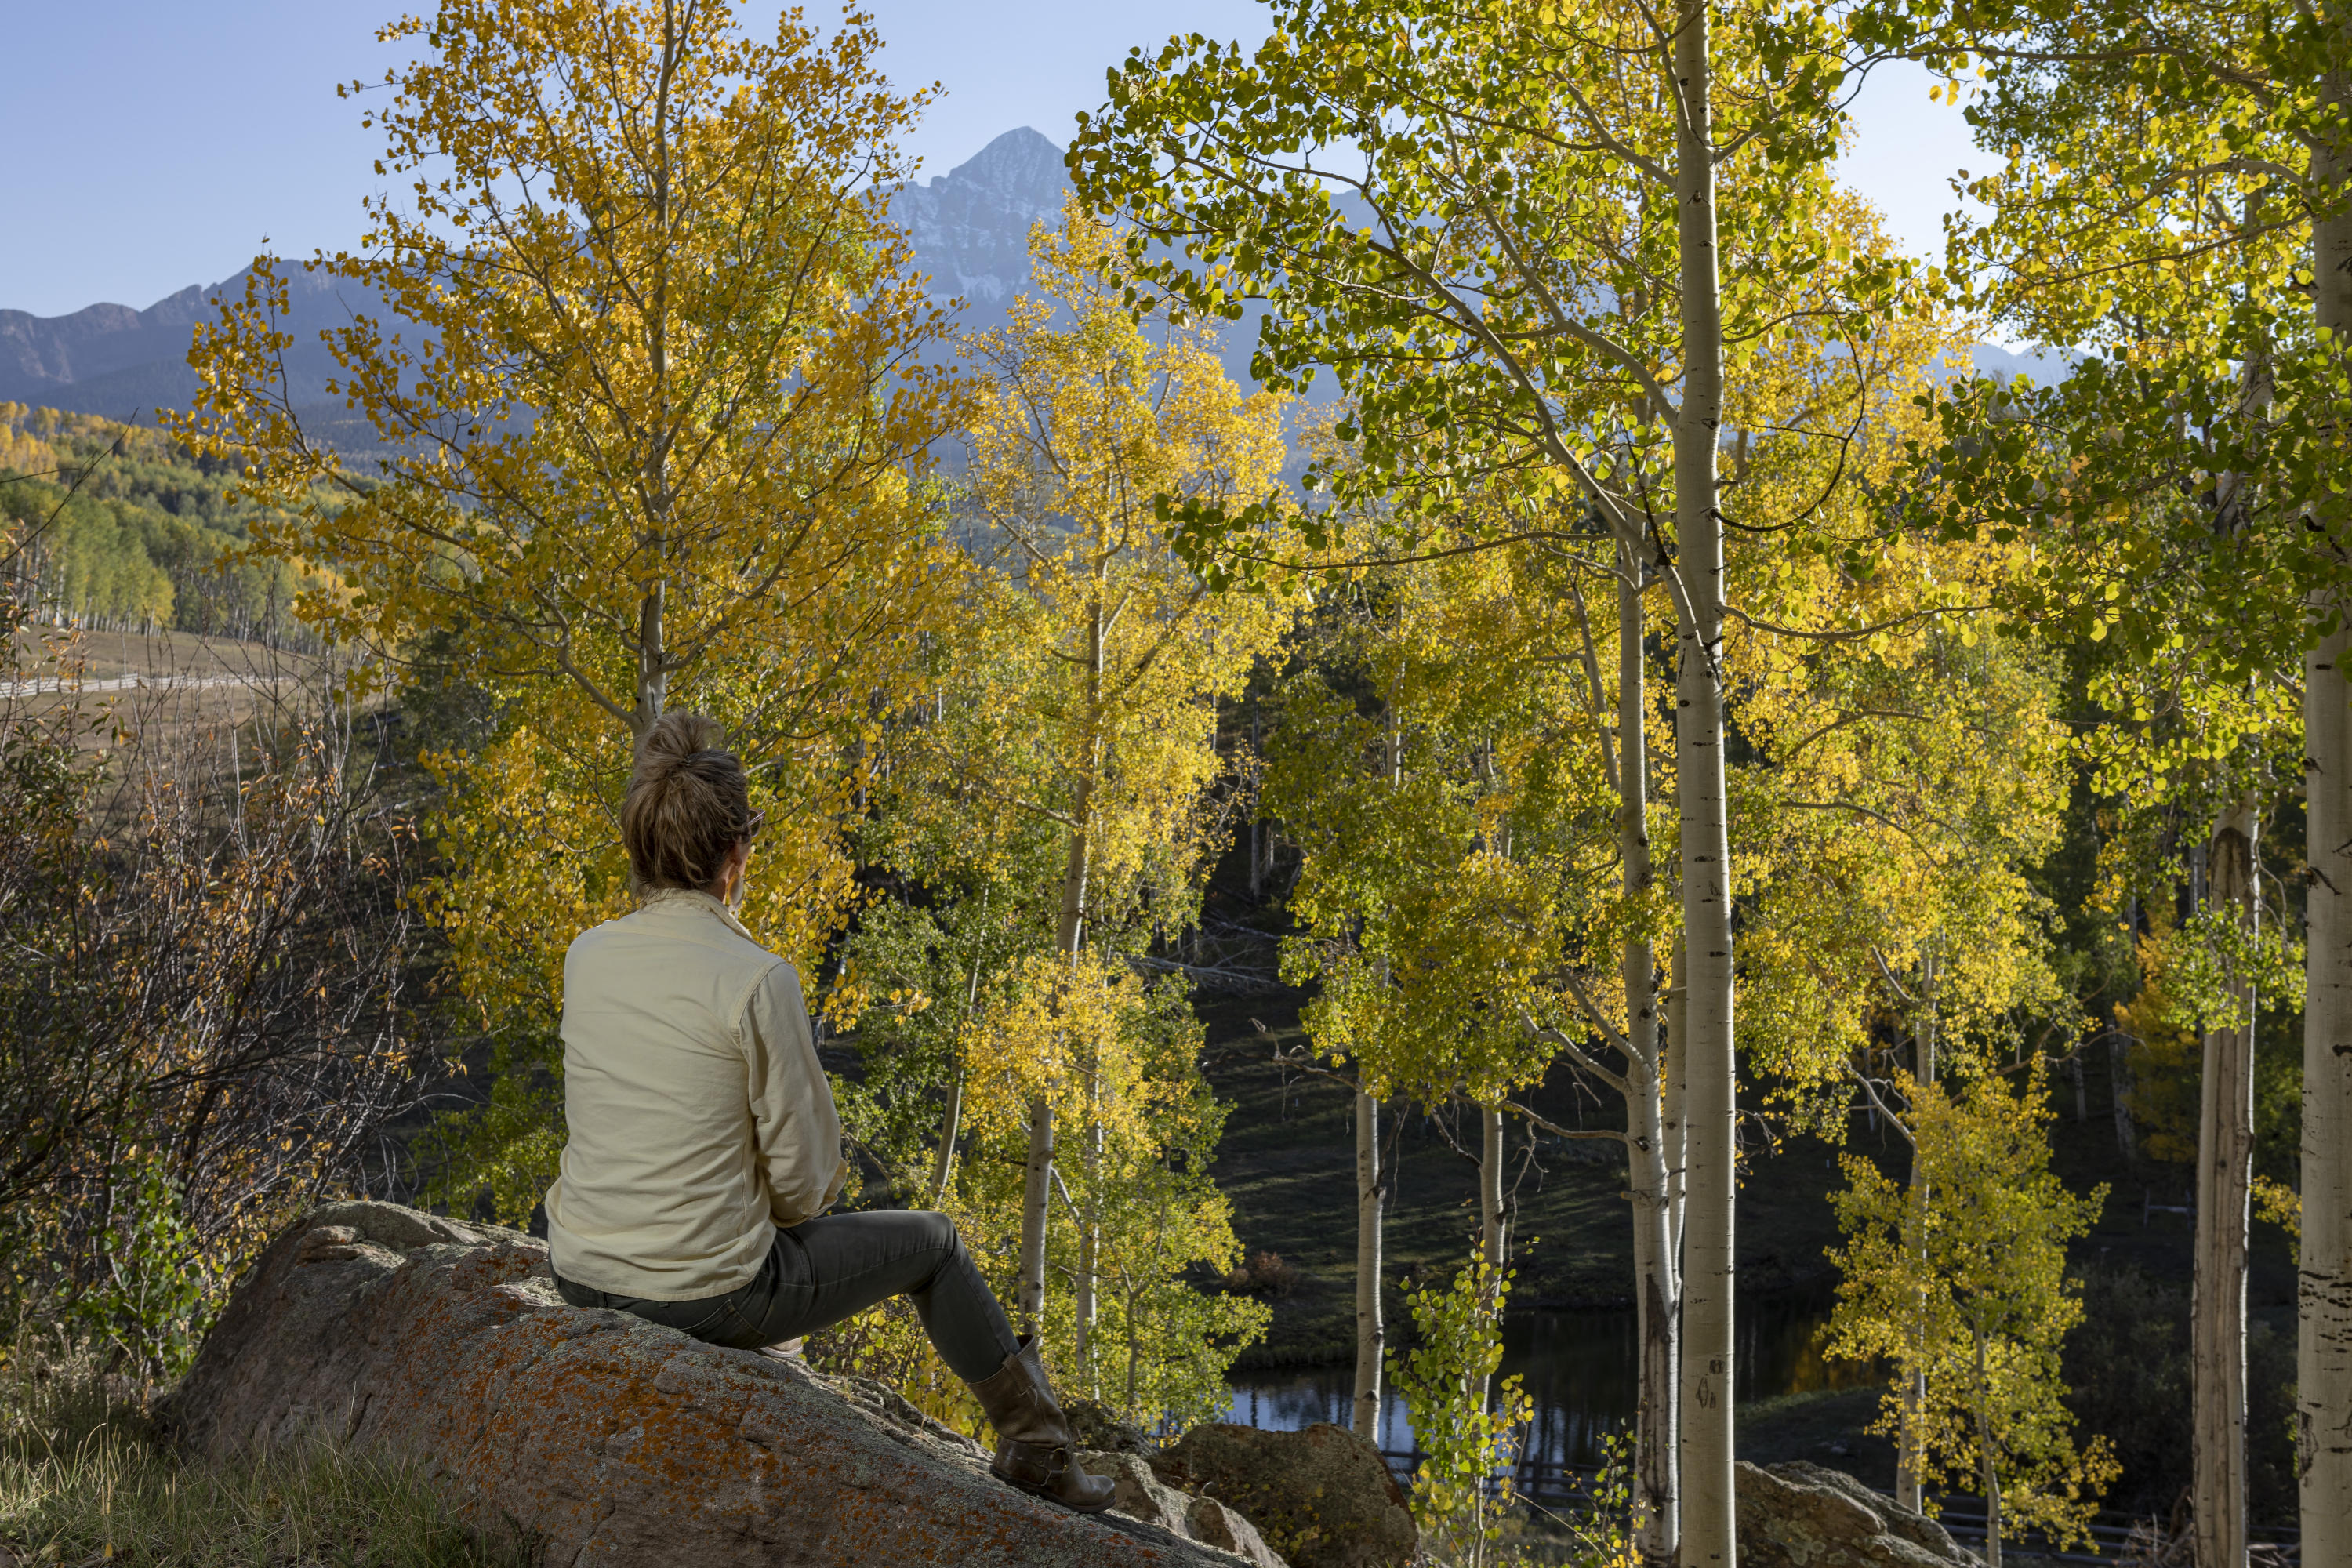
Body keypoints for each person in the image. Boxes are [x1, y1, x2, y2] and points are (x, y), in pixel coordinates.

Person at [545, 711, 1114, 1514]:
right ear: (737, 856)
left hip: (580, 1271)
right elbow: (807, 1187)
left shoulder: (588, 954)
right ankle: (1041, 1452)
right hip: (704, 1294)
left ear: (642, 848)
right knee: (935, 1244)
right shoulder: (755, 978)